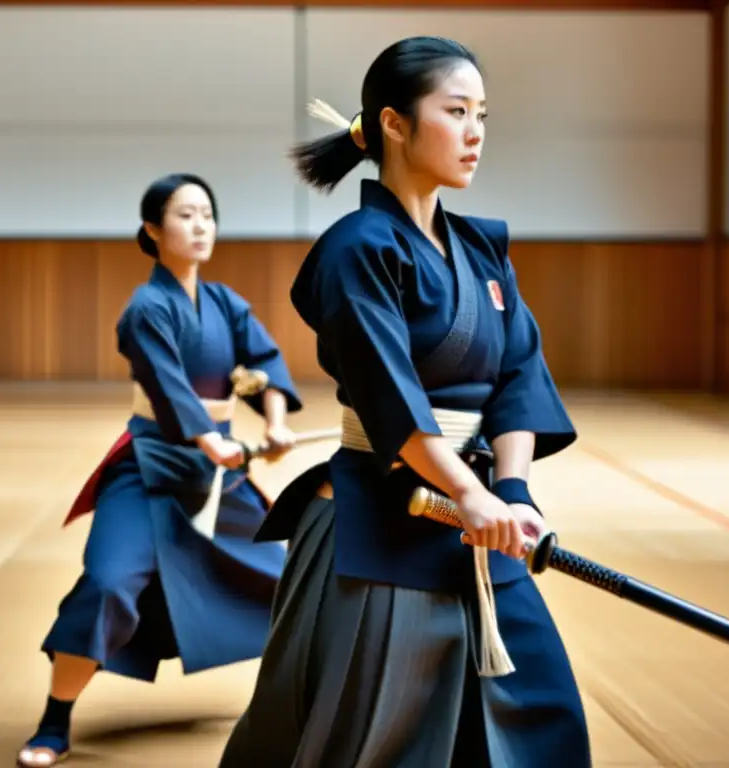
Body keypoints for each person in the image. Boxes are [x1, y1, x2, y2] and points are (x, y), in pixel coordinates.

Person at [218, 37, 591, 767]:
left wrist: (509, 492)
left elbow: (521, 373)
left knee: (544, 717)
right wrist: (467, 492)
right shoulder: (359, 248)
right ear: (394, 123)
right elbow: (392, 396)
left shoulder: (483, 251)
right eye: (456, 111)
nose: (476, 130)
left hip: (479, 519)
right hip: (387, 518)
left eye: (482, 113)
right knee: (379, 738)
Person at [17, 173, 304, 768]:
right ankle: (54, 721)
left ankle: (305, 705)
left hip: (216, 476)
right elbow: (169, 388)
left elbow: (266, 363)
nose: (200, 226)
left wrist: (274, 421)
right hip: (151, 466)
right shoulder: (146, 308)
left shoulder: (225, 302)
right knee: (108, 582)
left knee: (294, 579)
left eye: (207, 214)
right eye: (185, 215)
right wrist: (210, 440)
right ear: (152, 230)